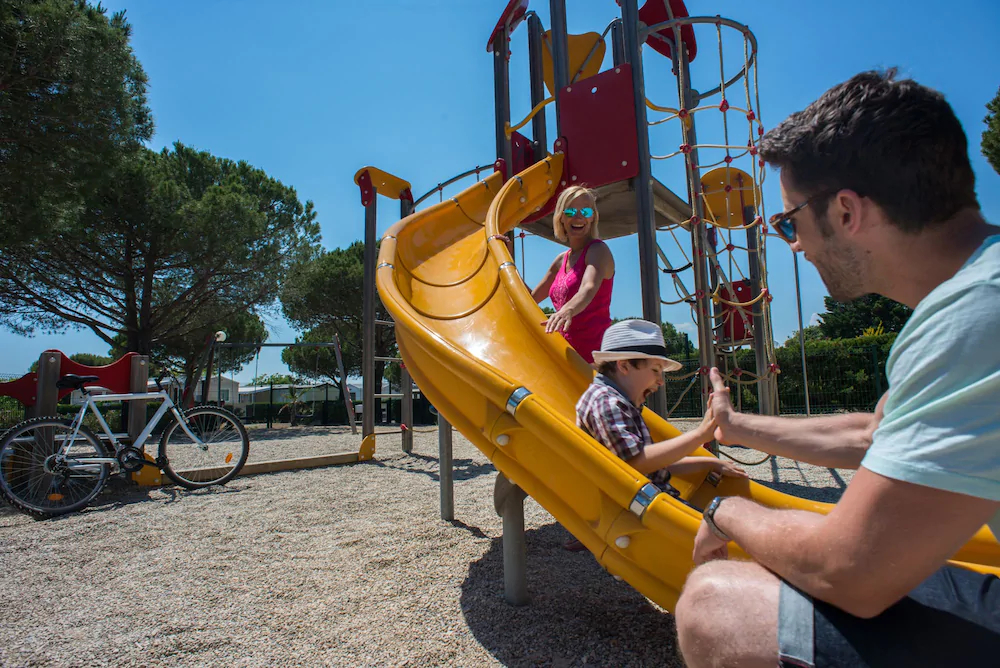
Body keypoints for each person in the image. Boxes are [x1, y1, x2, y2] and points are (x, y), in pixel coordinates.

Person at [673, 69, 1000, 667]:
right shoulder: (977, 289)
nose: (793, 245)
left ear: (846, 210)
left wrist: (728, 511)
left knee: (717, 607)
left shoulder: (974, 316)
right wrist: (736, 426)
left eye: (789, 222)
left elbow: (849, 572)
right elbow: (875, 435)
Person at [565, 319, 746, 551]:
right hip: (645, 514)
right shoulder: (607, 403)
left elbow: (655, 462)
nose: (661, 381)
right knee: (739, 536)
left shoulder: (620, 402)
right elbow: (636, 462)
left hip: (650, 503)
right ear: (624, 366)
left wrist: (710, 462)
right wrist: (701, 434)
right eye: (655, 370)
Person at [531, 186, 615, 363]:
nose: (578, 217)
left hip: (595, 362)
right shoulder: (561, 260)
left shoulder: (598, 250)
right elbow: (530, 299)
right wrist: (504, 258)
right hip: (566, 358)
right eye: (570, 211)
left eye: (585, 211)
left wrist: (567, 310)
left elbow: (588, 287)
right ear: (561, 217)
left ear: (592, 217)